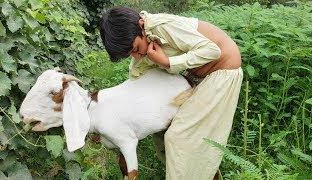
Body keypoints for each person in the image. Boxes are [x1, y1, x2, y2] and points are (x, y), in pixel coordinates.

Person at [99, 7, 243, 180]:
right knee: (163, 131)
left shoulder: (163, 26)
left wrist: (168, 62)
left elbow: (212, 51)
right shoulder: (144, 40)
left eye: (136, 48)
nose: (138, 56)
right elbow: (136, 81)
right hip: (198, 76)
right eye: (132, 54)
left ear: (140, 25)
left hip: (222, 72)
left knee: (179, 137)